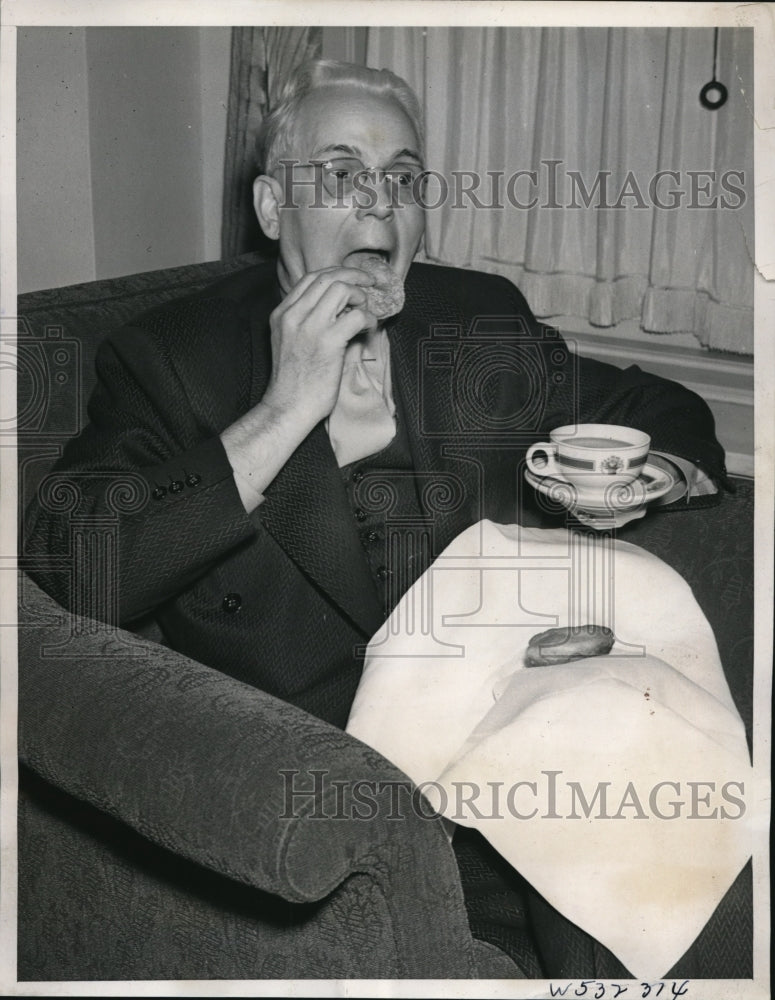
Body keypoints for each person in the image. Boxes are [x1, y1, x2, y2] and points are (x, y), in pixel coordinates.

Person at [23, 59, 729, 976]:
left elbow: (646, 402)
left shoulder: (473, 318)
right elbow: (74, 568)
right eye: (342, 173)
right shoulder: (173, 361)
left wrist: (659, 474)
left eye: (402, 177)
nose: (379, 204)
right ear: (274, 207)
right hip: (344, 793)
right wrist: (282, 412)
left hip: (536, 737)